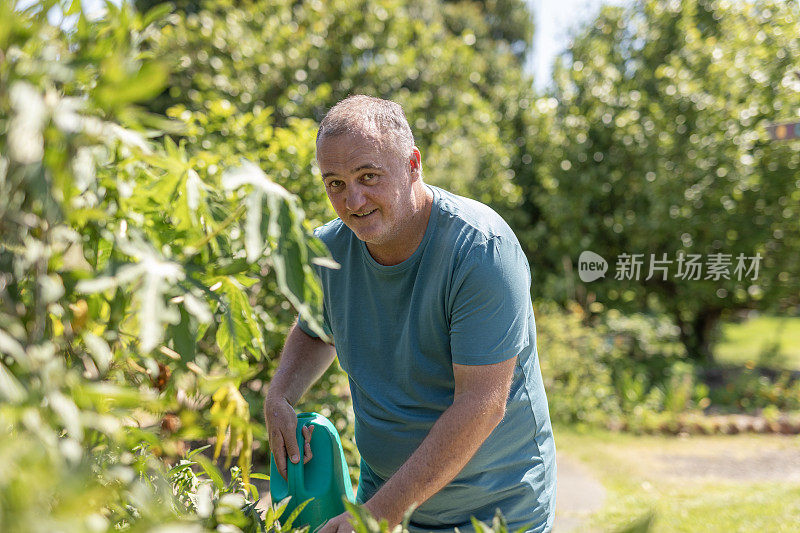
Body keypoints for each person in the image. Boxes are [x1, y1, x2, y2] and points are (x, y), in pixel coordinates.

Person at [264, 95, 556, 533]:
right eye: (335, 184)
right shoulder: (329, 253)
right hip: (386, 501)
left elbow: (481, 404)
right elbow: (315, 328)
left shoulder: (480, 251)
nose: (353, 200)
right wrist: (280, 395)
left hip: (496, 511)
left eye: (368, 176)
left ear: (413, 165)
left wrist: (376, 516)